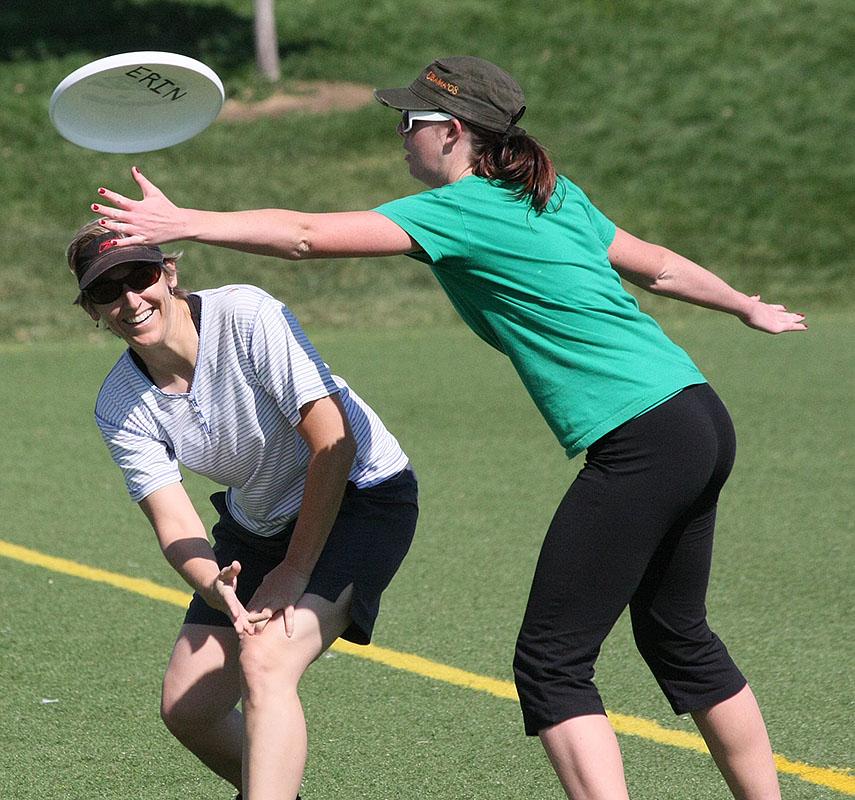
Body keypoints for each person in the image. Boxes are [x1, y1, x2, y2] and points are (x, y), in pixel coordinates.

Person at [90, 56, 807, 800]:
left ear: (453, 132)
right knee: (675, 636)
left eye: (411, 122)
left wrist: (186, 224)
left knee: (552, 663)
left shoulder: (459, 208)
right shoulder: (546, 194)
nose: (401, 137)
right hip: (695, 414)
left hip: (644, 440)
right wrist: (742, 305)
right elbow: (654, 267)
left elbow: (305, 235)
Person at [66, 220, 419, 800]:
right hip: (258, 522)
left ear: (170, 273)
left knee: (267, 660)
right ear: (92, 310)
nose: (131, 299)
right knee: (190, 705)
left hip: (362, 494)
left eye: (142, 276)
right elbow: (174, 522)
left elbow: (333, 442)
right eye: (108, 290)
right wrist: (216, 588)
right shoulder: (119, 403)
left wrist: (296, 570)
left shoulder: (247, 315)